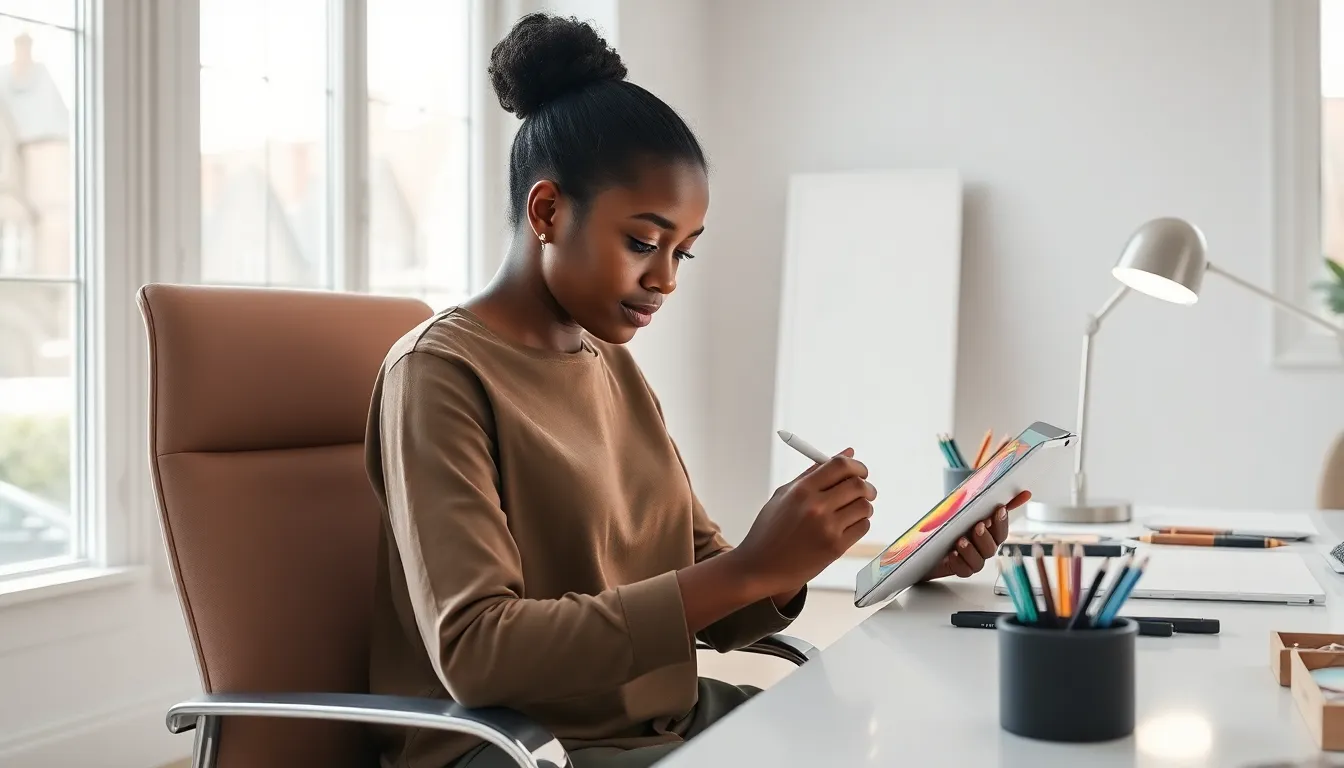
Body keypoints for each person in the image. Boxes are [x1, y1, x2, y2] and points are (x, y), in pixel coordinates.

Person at [363, 12, 1029, 768]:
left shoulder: (610, 364)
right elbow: (479, 653)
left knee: (915, 737)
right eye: (643, 243)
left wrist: (840, 559)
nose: (666, 279)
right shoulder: (439, 374)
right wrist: (750, 567)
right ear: (547, 211)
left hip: (658, 724)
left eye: (684, 251)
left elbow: (718, 603)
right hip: (527, 749)